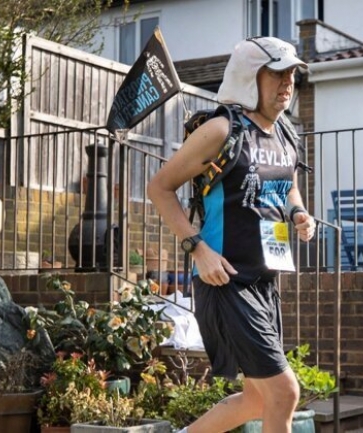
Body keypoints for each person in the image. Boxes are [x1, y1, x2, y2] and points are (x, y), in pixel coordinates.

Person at [147, 36, 316, 433]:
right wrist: (197, 250)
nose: (287, 82)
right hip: (224, 279)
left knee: (258, 398)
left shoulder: (284, 133)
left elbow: (287, 185)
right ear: (248, 77)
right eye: (276, 73)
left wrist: (299, 213)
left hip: (264, 280)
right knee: (284, 393)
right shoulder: (221, 130)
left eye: (291, 73)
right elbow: (160, 188)